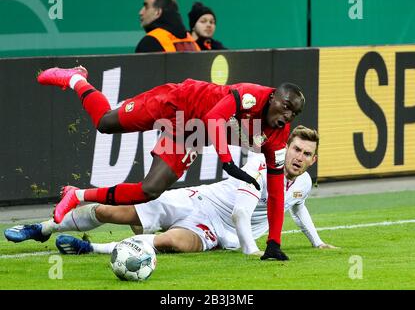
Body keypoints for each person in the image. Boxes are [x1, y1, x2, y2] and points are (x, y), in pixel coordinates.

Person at [36, 65, 305, 261]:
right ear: (272, 97)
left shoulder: (278, 139)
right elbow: (214, 118)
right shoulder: (249, 96)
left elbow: (276, 196)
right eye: (285, 105)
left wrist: (274, 243)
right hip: (178, 104)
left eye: (294, 112)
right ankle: (76, 79)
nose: (287, 114)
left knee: (149, 190)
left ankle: (77, 194)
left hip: (190, 134)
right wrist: (227, 162)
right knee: (106, 123)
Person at [4, 126, 337, 256]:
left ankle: (91, 250)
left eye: (307, 154)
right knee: (109, 213)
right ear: (286, 146)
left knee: (172, 244)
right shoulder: (261, 165)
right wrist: (252, 250)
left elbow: (298, 204)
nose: (299, 157)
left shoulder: (304, 183)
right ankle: (43, 228)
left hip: (218, 232)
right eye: (296, 149)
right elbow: (241, 212)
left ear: (313, 159)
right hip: (200, 200)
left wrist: (316, 240)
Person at [136, 0, 200, 53]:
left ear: (158, 12)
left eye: (146, 7)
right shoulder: (191, 41)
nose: (140, 12)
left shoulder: (149, 42)